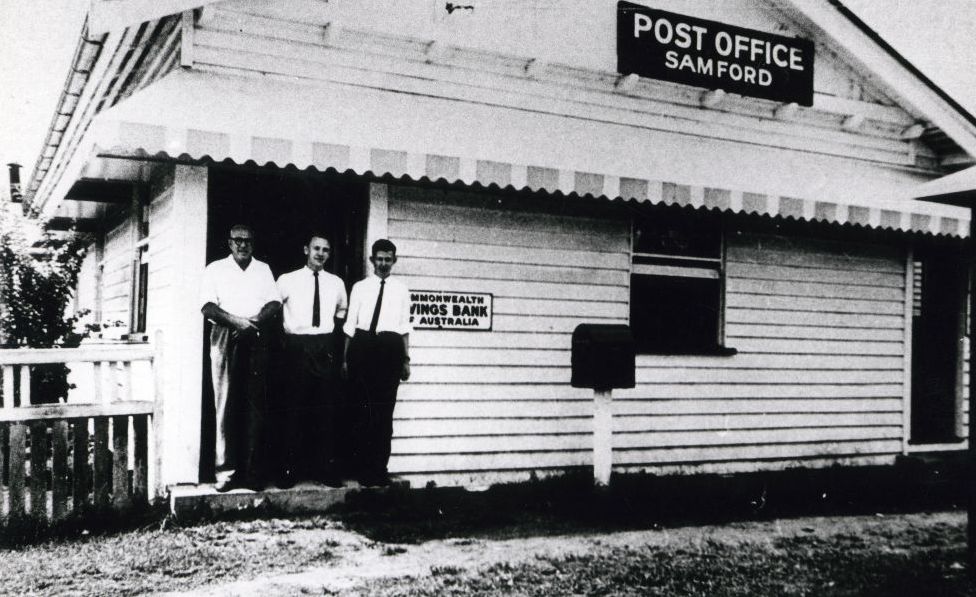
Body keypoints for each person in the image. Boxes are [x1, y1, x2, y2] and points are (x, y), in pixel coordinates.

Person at [200, 224, 281, 492]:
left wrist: (253, 321)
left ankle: (253, 471)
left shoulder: (263, 269)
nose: (243, 245)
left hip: (256, 335)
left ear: (253, 243)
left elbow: (274, 303)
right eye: (237, 240)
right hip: (225, 335)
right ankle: (227, 472)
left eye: (247, 241)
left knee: (255, 404)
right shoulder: (215, 269)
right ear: (229, 243)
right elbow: (207, 306)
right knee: (225, 403)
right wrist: (236, 322)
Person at [275, 233, 348, 488]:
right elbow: (274, 309)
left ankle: (325, 469)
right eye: (316, 248)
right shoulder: (287, 280)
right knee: (293, 409)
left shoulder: (336, 282)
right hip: (296, 346)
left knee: (325, 410)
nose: (320, 253)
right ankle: (288, 469)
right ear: (306, 249)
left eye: (326, 250)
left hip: (324, 345)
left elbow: (341, 312)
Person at [342, 239, 412, 487]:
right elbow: (350, 325)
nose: (383, 263)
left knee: (384, 413)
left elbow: (404, 327)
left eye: (388, 259)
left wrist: (405, 359)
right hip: (363, 347)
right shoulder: (360, 287)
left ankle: (379, 468)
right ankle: (362, 469)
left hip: (389, 349)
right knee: (363, 411)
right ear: (372, 260)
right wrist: (345, 359)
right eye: (379, 259)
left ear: (394, 260)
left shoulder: (402, 290)